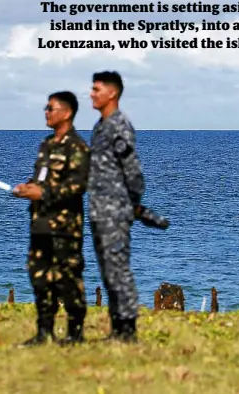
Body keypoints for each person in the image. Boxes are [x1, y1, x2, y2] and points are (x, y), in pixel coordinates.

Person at [13, 91, 89, 346]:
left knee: (67, 278)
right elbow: (41, 179)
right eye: (45, 108)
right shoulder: (46, 145)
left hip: (65, 225)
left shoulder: (77, 148)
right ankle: (43, 332)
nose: (46, 112)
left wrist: (43, 192)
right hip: (41, 222)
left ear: (66, 113)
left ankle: (74, 334)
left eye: (51, 108)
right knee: (39, 277)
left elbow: (79, 185)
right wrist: (27, 188)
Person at [87, 71, 146, 342]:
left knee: (118, 270)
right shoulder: (101, 126)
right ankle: (117, 328)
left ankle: (128, 330)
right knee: (108, 270)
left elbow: (132, 170)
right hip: (100, 208)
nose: (91, 94)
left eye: (97, 89)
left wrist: (132, 205)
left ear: (112, 93)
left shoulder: (118, 125)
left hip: (115, 210)